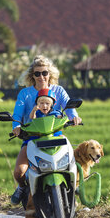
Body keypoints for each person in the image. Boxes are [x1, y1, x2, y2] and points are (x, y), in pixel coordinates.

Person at [10, 55, 82, 205]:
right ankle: (22, 188)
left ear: (50, 74)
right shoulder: (25, 93)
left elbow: (69, 106)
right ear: (32, 75)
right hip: (32, 138)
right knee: (19, 172)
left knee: (72, 165)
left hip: (56, 136)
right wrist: (16, 126)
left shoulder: (58, 90)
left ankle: (74, 189)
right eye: (37, 73)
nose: (41, 76)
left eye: (45, 73)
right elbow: (17, 113)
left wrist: (74, 117)